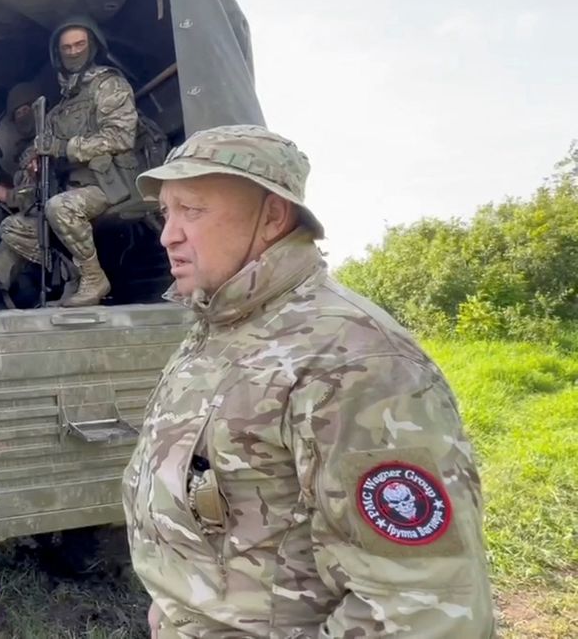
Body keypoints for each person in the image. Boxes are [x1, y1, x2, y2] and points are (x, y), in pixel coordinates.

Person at [122, 125, 495, 637]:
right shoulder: (225, 325)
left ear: (272, 215)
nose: (168, 234)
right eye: (167, 213)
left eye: (193, 209)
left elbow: (419, 609)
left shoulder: (353, 361)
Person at [0, 19, 139, 310]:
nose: (73, 53)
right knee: (13, 227)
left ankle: (92, 277)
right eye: (66, 48)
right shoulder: (59, 109)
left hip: (110, 185)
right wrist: (37, 164)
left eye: (79, 45)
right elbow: (43, 160)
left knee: (59, 208)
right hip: (71, 190)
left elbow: (121, 137)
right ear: (57, 54)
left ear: (92, 46)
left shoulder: (108, 84)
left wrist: (63, 149)